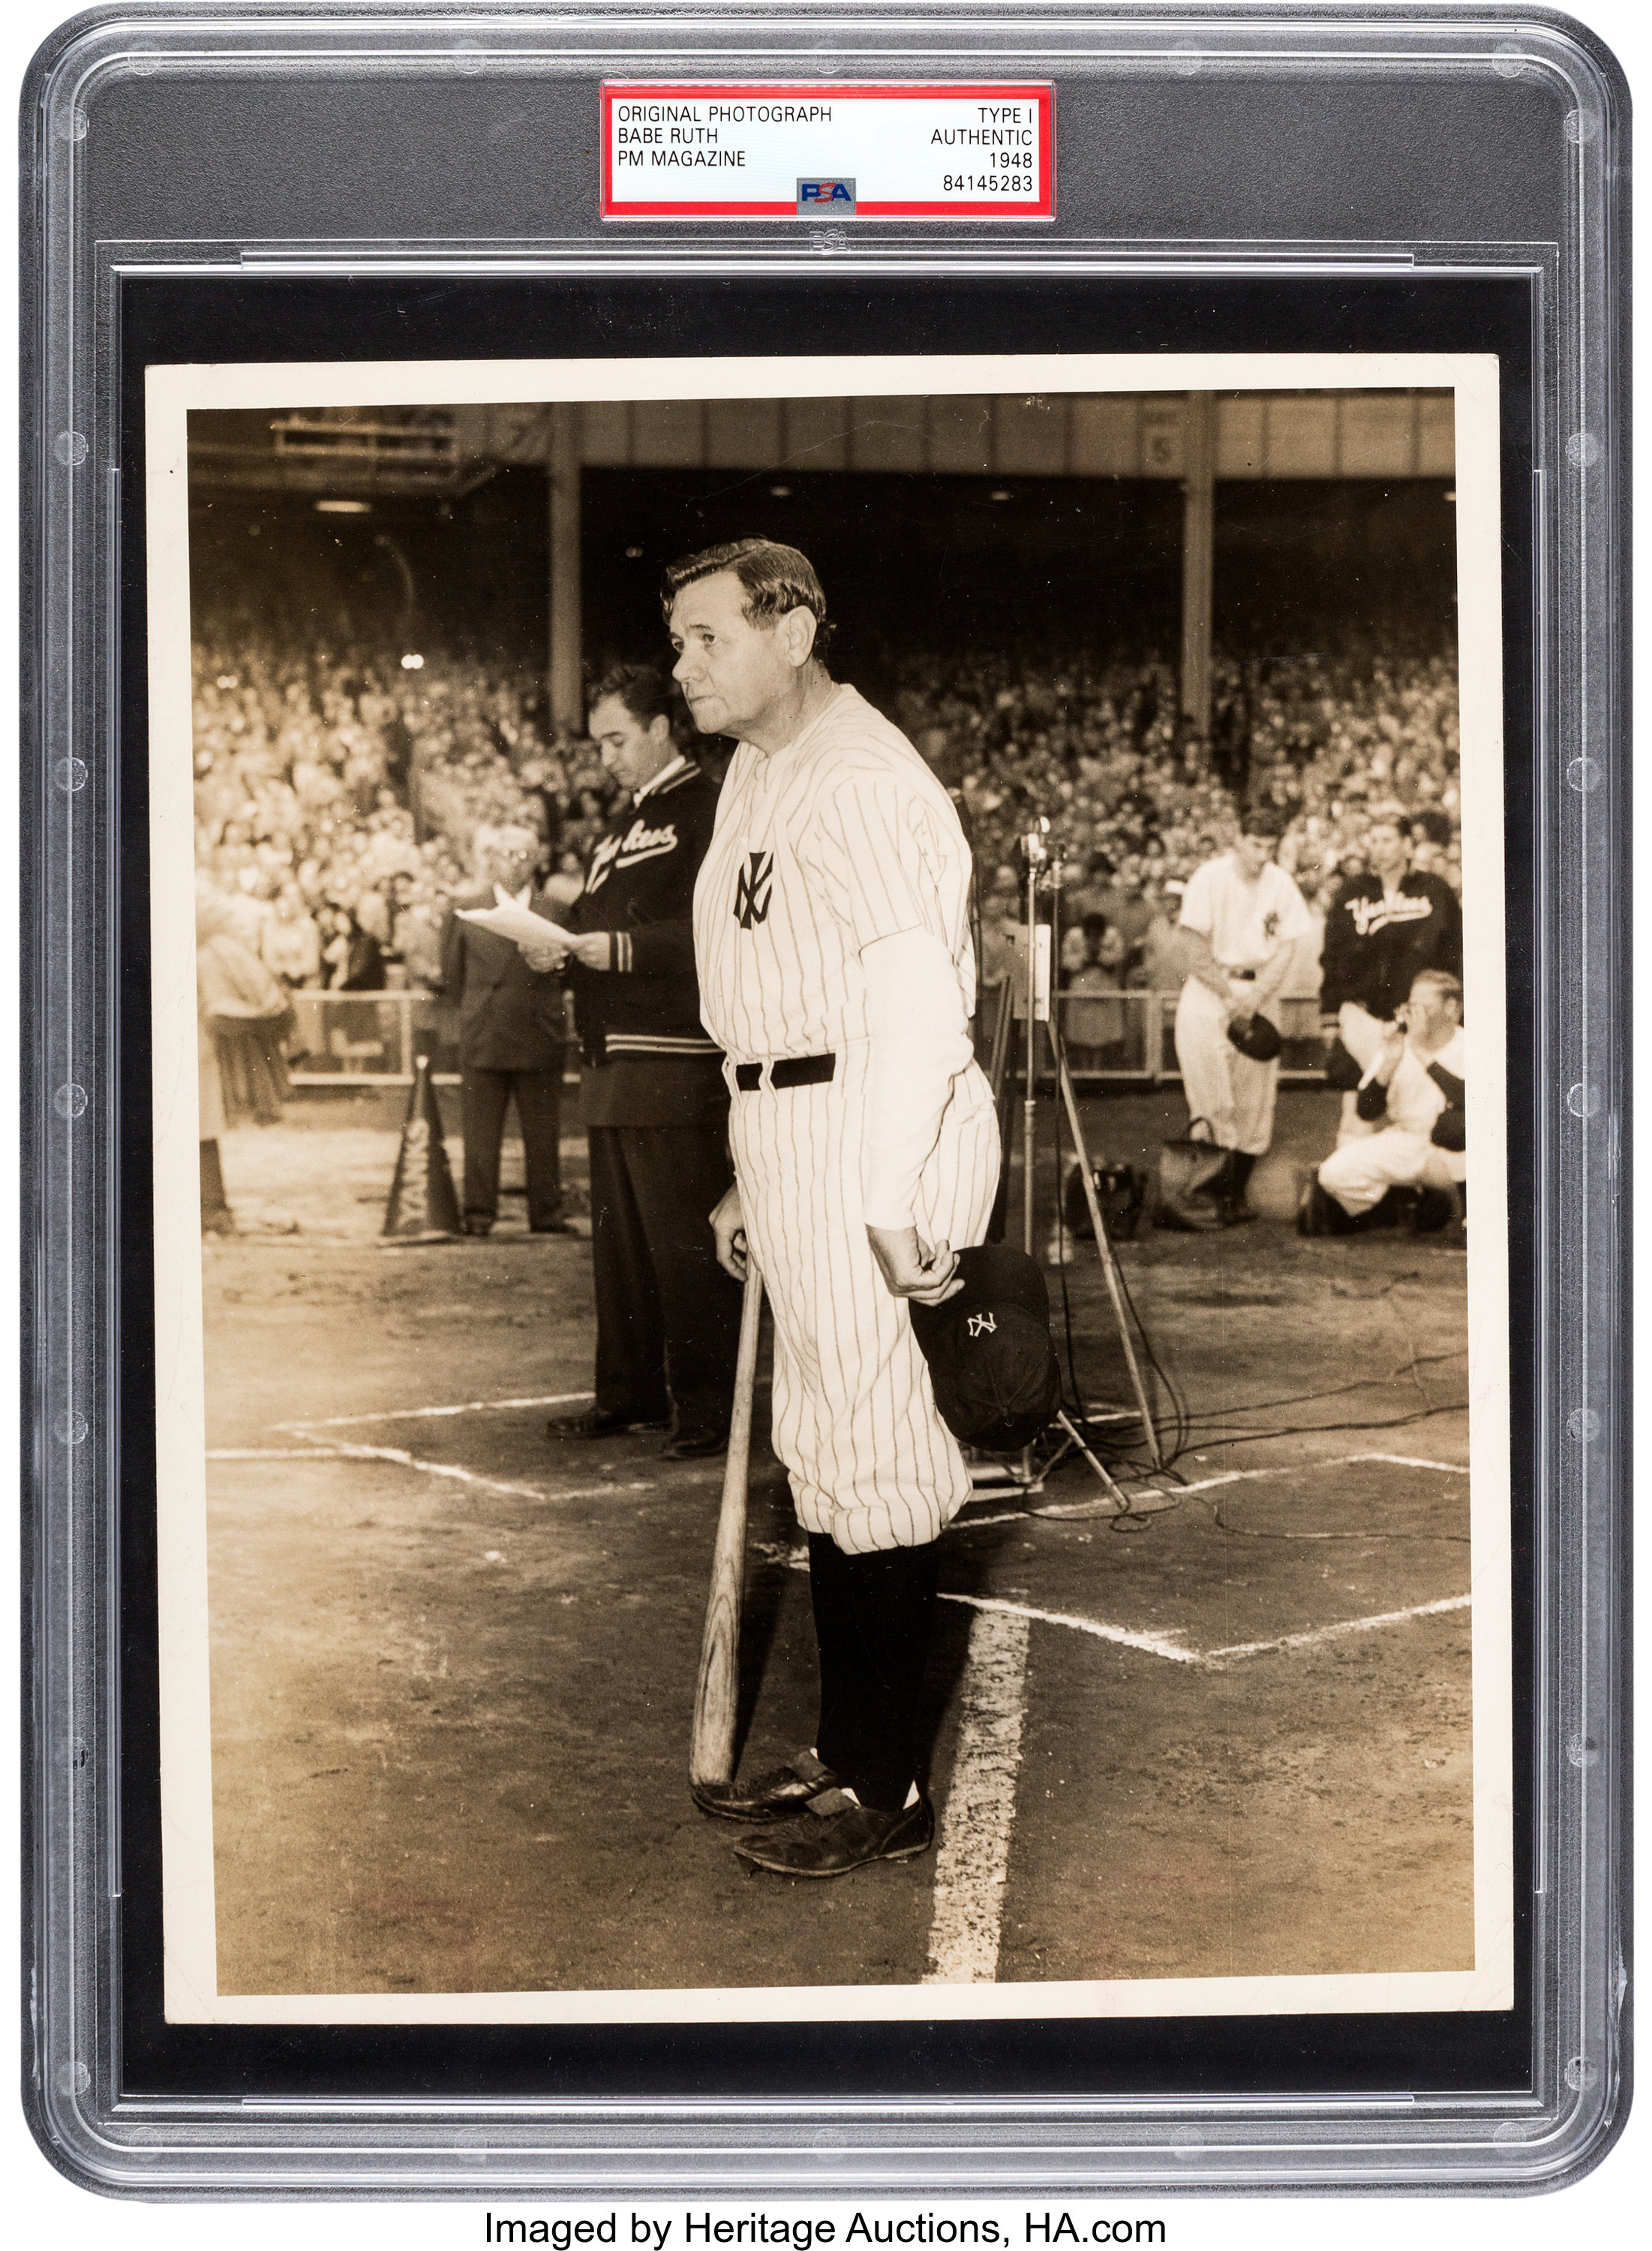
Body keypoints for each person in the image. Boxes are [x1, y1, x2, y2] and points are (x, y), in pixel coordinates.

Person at [677, 536, 1000, 1880]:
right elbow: (770, 992)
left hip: (881, 1120)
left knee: (876, 1453)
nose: (682, 661)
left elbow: (916, 1008)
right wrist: (755, 1164)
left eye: (707, 637)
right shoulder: (760, 768)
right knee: (824, 1447)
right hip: (793, 1118)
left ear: (793, 627)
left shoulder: (862, 779)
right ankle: (845, 1752)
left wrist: (874, 1194)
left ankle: (886, 1788)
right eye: (680, 638)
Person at [532, 665, 741, 1460]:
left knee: (684, 1247)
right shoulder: (618, 831)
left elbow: (718, 931)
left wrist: (608, 949)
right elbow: (595, 928)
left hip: (675, 1056)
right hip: (612, 1062)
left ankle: (707, 1407)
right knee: (620, 1250)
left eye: (619, 739)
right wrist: (559, 952)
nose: (608, 758)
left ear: (663, 727)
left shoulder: (710, 808)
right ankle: (628, 1394)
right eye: (600, 744)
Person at [1171, 807, 1314, 1224]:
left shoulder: (1281, 883)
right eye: (1255, 844)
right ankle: (1203, 1198)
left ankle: (1234, 1196)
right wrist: (1229, 996)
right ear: (1238, 838)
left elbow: (1288, 947)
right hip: (1211, 992)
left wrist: (1256, 997)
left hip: (1259, 992)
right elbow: (1193, 946)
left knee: (1254, 1104)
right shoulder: (1209, 877)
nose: (1262, 855)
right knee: (1212, 1099)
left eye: (1270, 847)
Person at [436, 825, 570, 1237]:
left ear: (536, 860)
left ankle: (546, 1215)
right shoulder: (465, 909)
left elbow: (568, 971)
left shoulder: (557, 910)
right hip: (484, 1036)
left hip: (539, 1035)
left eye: (523, 854)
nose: (514, 863)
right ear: (490, 860)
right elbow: (453, 978)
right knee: (479, 1135)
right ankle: (478, 1214)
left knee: (543, 1134)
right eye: (506, 854)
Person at [1319, 811, 1463, 1146]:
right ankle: (1352, 1192)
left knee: (1419, 1105)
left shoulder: (1434, 891)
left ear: (1408, 845)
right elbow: (1332, 956)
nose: (1379, 849)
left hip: (1416, 1017)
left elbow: (1455, 953)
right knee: (1359, 1105)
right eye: (1374, 841)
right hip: (1363, 1015)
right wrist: (1329, 1015)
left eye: (1388, 840)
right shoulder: (1353, 892)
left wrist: (1455, 1014)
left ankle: (1417, 1184)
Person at [1300, 969, 1466, 1232]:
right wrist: (1388, 1064)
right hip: (1407, 1138)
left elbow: (1470, 1100)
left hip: (1457, 1148)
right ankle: (1401, 1203)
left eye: (1424, 1008)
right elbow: (1366, 1112)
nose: (1414, 1016)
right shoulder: (1399, 1043)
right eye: (1411, 1007)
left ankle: (1458, 1207)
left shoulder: (1470, 1043)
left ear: (1450, 1007)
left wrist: (1423, 1052)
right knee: (1334, 1173)